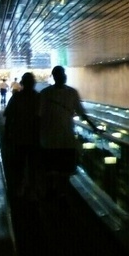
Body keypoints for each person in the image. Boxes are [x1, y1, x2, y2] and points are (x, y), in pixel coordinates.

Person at [37, 66, 99, 198]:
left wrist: (94, 127)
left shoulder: (48, 93)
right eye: (60, 74)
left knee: (59, 167)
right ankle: (57, 193)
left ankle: (58, 193)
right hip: (56, 137)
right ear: (55, 76)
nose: (63, 76)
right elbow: (81, 113)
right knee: (58, 168)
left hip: (57, 138)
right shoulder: (53, 93)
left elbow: (81, 112)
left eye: (63, 74)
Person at [3, 72, 40, 198]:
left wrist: (7, 134)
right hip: (35, 136)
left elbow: (8, 117)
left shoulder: (16, 97)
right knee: (33, 164)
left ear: (22, 83)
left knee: (19, 163)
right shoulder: (38, 97)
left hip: (19, 136)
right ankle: (32, 189)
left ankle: (20, 187)